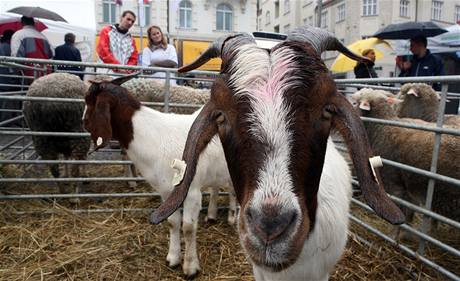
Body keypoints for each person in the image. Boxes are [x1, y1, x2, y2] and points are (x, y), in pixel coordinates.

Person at [0, 29, 21, 125]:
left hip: (2, 79)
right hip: (7, 80)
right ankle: (7, 123)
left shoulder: (1, 46)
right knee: (8, 102)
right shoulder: (9, 48)